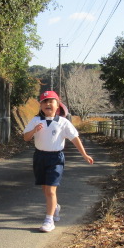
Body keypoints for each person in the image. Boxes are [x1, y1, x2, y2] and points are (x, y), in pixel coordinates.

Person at [23, 91, 94, 232]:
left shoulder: (63, 122)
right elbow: (26, 138)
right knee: (45, 188)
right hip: (39, 157)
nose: (48, 104)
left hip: (56, 158)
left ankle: (49, 220)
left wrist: (84, 154)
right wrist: (34, 130)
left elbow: (74, 138)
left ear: (58, 105)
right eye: (44, 101)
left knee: (50, 190)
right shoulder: (36, 120)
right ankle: (55, 207)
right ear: (40, 105)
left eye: (51, 101)